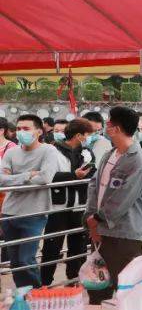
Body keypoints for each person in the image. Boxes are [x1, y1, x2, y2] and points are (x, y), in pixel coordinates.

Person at [83, 107, 142, 302]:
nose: (106, 127)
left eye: (109, 123)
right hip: (99, 230)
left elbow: (123, 198)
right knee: (97, 285)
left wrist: (97, 219)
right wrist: (90, 217)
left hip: (124, 233)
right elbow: (94, 186)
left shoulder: (138, 160)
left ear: (117, 128)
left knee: (127, 286)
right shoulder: (110, 155)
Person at [0, 115, 61, 287]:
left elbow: (45, 178)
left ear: (39, 131)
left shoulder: (48, 150)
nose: (20, 132)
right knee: (14, 261)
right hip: (9, 212)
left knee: (26, 259)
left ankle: (36, 293)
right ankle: (23, 295)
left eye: (26, 129)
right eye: (18, 129)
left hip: (34, 212)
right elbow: (1, 179)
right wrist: (28, 175)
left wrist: (14, 179)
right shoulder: (11, 152)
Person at [41, 118, 96, 285]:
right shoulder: (52, 152)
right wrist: (74, 176)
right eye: (87, 135)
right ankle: (45, 284)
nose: (89, 138)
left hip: (80, 205)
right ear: (79, 135)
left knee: (78, 246)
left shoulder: (87, 153)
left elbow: (93, 172)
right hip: (58, 206)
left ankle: (74, 281)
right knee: (52, 246)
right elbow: (48, 176)